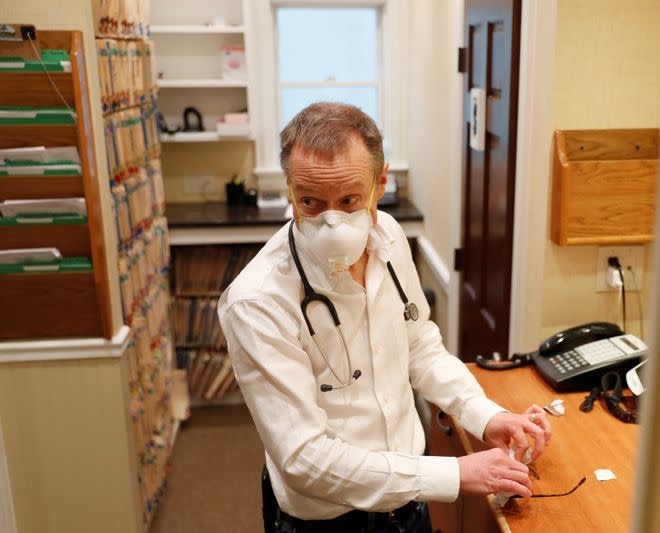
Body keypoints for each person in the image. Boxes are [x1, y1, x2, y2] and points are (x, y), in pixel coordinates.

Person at [218, 102, 552, 533]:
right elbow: (303, 459)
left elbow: (420, 346)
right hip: (327, 523)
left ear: (381, 183)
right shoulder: (257, 302)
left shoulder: (390, 237)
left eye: (349, 199)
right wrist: (451, 475)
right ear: (289, 189)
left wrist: (483, 415)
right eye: (310, 202)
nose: (331, 222)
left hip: (409, 505)